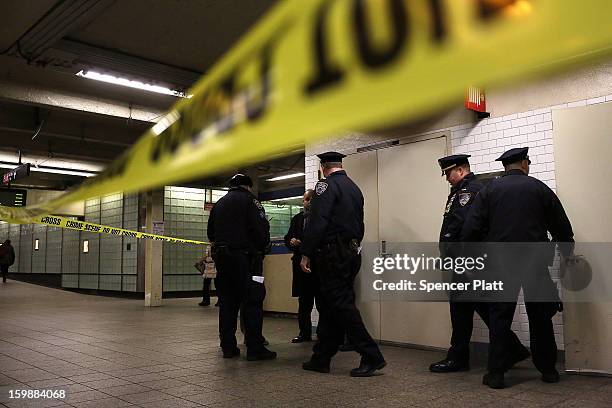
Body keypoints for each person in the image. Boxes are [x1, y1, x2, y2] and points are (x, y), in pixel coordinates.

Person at [461, 147, 575, 389]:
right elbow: (562, 226)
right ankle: (548, 370)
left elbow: (471, 228)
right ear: (524, 163)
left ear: (506, 166)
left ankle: (496, 374)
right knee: (541, 317)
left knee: (500, 318)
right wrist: (566, 255)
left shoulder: (489, 189)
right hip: (535, 262)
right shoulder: (539, 188)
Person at [430, 155, 529, 373]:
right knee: (473, 307)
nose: (447, 178)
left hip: (465, 259)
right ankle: (512, 348)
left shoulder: (468, 191)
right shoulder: (464, 190)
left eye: (448, 173)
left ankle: (460, 357)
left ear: (461, 170)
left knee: (462, 309)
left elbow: (461, 226)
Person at [300, 151, 386, 377]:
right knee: (332, 306)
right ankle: (321, 357)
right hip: (350, 252)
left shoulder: (325, 186)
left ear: (323, 167)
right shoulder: (353, 187)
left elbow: (319, 221)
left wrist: (306, 252)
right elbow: (359, 222)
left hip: (331, 254)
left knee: (341, 305)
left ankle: (371, 355)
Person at [207, 173, 276, 361]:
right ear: (248, 186)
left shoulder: (219, 204)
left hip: (223, 259)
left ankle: (228, 347)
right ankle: (255, 347)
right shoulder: (251, 201)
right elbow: (261, 230)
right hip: (246, 260)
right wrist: (262, 247)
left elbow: (210, 233)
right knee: (252, 301)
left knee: (227, 303)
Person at [284, 189, 318, 343]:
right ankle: (304, 333)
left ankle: (324, 333)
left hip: (317, 264)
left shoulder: (321, 218)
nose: (307, 202)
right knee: (304, 302)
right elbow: (288, 237)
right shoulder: (297, 219)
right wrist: (291, 241)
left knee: (322, 301)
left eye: (309, 199)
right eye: (305, 199)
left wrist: (303, 244)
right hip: (300, 265)